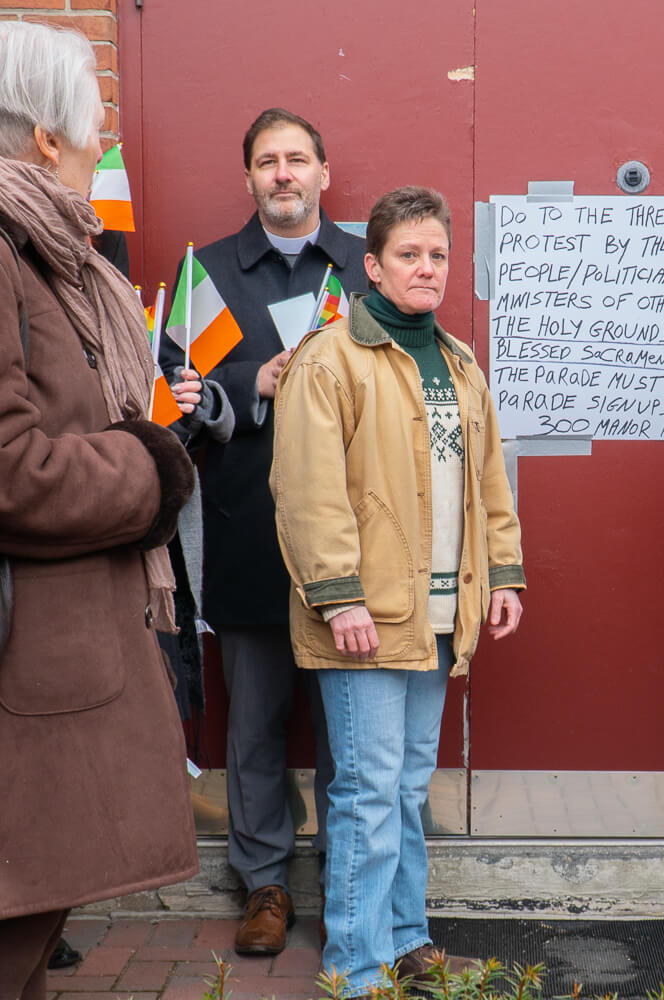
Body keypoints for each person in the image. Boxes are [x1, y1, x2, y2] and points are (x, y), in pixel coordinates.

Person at [270, 186, 525, 992]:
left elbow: (489, 481)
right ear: (372, 266)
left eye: (438, 254)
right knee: (368, 797)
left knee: (407, 792)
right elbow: (307, 492)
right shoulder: (329, 360)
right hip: (366, 620)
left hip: (438, 617)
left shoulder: (458, 361)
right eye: (408, 254)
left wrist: (505, 571)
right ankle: (354, 964)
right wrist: (339, 595)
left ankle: (407, 939)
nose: (426, 268)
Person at [0, 21, 197, 998]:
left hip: (49, 674)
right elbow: (12, 470)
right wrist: (152, 470)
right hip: (28, 682)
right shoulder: (6, 255)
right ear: (44, 137)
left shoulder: (40, 256)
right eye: (92, 127)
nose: (99, 143)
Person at [160, 107, 367, 956]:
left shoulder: (365, 265)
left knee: (352, 730)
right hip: (247, 532)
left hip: (355, 545)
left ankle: (353, 888)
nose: (283, 175)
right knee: (253, 729)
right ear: (247, 178)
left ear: (324, 171)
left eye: (297, 160)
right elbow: (173, 396)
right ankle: (266, 887)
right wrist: (257, 382)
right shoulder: (204, 273)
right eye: (266, 162)